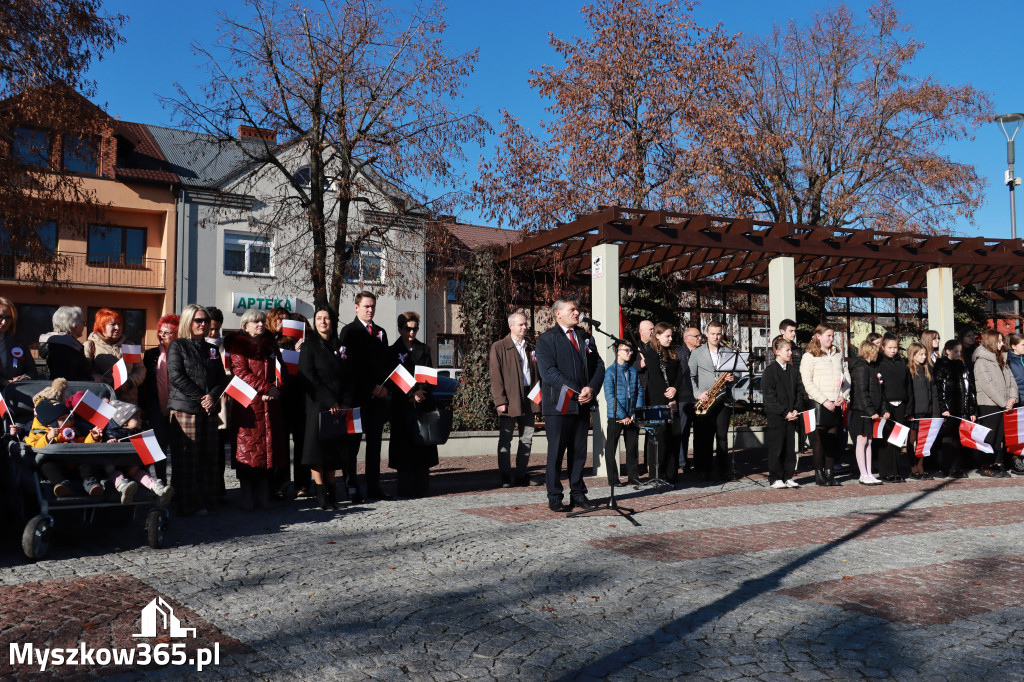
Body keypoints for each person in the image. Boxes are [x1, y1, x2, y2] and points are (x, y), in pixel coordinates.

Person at [535, 299, 605, 512]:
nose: (577, 313)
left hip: (582, 405)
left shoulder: (585, 337)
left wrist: (591, 389)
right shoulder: (546, 340)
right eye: (571, 310)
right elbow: (549, 373)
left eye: (577, 309)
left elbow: (599, 365)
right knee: (556, 452)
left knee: (579, 452)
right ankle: (555, 495)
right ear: (558, 314)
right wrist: (577, 392)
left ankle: (578, 493)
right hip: (559, 405)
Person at [167, 304, 227, 516]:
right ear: (188, 322)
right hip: (185, 409)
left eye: (206, 321)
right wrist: (202, 397)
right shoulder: (178, 346)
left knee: (208, 458)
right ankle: (187, 504)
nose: (203, 324)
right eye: (198, 320)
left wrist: (213, 396)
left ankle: (208, 500)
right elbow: (177, 377)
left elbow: (221, 378)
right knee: (187, 459)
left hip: (208, 410)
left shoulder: (211, 348)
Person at [224, 309, 287, 509]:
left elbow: (281, 370)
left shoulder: (270, 346)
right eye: (255, 322)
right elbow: (241, 374)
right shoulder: (238, 347)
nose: (260, 324)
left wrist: (276, 388)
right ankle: (247, 498)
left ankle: (263, 495)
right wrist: (266, 388)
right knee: (248, 452)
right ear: (245, 327)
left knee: (267, 453)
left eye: (261, 321)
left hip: (270, 405)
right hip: (248, 408)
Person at [338, 291, 393, 501]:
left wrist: (385, 387)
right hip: (356, 399)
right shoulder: (349, 332)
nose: (370, 310)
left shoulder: (380, 332)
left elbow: (386, 364)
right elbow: (348, 366)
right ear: (356, 307)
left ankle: (374, 486)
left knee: (375, 445)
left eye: (373, 307)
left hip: (377, 401)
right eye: (366, 306)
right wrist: (370, 386)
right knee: (352, 446)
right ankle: (352, 487)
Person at [299, 306, 354, 510]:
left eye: (327, 318)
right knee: (317, 452)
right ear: (314, 322)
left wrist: (345, 401)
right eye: (319, 318)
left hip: (339, 407)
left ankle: (332, 492)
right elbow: (308, 376)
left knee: (334, 451)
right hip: (318, 405)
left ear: (333, 322)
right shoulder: (309, 346)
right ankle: (321, 493)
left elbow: (349, 376)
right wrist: (329, 401)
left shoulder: (340, 346)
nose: (323, 322)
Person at [386, 311, 437, 498]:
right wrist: (410, 395)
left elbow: (429, 375)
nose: (412, 332)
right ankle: (405, 488)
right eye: (408, 328)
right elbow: (393, 378)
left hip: (421, 405)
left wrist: (421, 393)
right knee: (404, 447)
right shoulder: (392, 351)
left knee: (422, 447)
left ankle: (422, 486)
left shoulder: (424, 349)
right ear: (400, 329)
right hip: (402, 406)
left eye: (415, 328)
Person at [488, 312, 541, 488]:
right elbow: (496, 377)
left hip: (529, 397)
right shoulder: (499, 347)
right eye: (521, 324)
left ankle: (521, 473)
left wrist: (539, 397)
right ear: (511, 326)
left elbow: (537, 374)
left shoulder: (531, 346)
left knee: (527, 437)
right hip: (509, 399)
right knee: (506, 437)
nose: (525, 327)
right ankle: (505, 474)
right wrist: (500, 400)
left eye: (525, 324)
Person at [267, 308, 311, 497]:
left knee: (301, 442)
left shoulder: (301, 342)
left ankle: (302, 483)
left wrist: (303, 349)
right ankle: (281, 484)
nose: (282, 322)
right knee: (281, 443)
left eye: (285, 319)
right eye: (278, 319)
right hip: (281, 398)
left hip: (300, 397)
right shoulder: (272, 342)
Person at [799, 324, 850, 486]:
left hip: (836, 402)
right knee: (820, 439)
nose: (831, 338)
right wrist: (824, 400)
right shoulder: (809, 356)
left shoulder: (837, 355)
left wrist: (843, 396)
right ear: (818, 336)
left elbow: (846, 377)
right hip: (819, 402)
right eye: (828, 335)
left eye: (833, 335)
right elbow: (807, 382)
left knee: (833, 439)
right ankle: (819, 473)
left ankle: (830, 472)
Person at [689, 321, 737, 481]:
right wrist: (697, 394)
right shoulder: (697, 353)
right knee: (705, 437)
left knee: (722, 436)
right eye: (713, 334)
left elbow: (737, 374)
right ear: (706, 334)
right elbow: (690, 376)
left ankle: (723, 471)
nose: (716, 336)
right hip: (706, 400)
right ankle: (705, 470)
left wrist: (732, 377)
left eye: (718, 334)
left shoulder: (728, 351)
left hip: (723, 399)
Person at [639, 322, 685, 485]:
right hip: (658, 400)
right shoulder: (650, 352)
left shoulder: (672, 353)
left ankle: (672, 474)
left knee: (674, 435)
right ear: (657, 336)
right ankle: (657, 473)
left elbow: (679, 374)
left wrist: (675, 390)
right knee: (659, 437)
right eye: (667, 336)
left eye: (671, 335)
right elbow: (656, 378)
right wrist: (669, 397)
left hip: (672, 398)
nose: (670, 339)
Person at [761, 338, 806, 488]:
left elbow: (800, 392)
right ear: (777, 352)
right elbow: (769, 396)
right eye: (787, 350)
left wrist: (796, 409)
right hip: (777, 417)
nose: (790, 353)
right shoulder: (770, 371)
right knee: (777, 447)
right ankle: (775, 478)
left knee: (789, 448)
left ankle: (788, 476)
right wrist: (784, 412)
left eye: (791, 350)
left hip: (792, 416)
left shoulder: (793, 371)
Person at [972, 329, 1016, 477]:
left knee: (1000, 437)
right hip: (989, 404)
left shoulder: (1001, 358)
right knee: (989, 436)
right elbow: (987, 385)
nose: (1002, 343)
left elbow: (1011, 381)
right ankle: (985, 465)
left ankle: (997, 463)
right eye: (999, 341)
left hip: (1004, 404)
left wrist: (1012, 399)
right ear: (991, 342)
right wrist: (1004, 402)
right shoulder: (981, 360)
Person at [140, 314, 178, 481]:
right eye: (160, 331)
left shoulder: (180, 353)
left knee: (177, 448)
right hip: (154, 405)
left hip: (176, 406)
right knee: (157, 447)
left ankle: (177, 486)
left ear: (176, 333)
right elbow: (144, 382)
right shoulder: (151, 354)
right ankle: (160, 482)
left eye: (167, 332)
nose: (162, 335)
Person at [84, 308, 146, 404]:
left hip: (127, 401)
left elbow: (140, 370)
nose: (117, 327)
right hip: (101, 400)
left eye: (119, 324)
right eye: (113, 324)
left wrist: (129, 383)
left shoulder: (129, 346)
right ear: (101, 326)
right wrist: (94, 376)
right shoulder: (90, 345)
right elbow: (84, 370)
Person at [934, 340, 976, 478]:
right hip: (949, 408)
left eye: (960, 351)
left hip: (961, 408)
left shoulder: (962, 366)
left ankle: (957, 467)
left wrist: (971, 409)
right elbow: (939, 389)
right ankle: (948, 467)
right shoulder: (941, 366)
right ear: (947, 351)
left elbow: (969, 389)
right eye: (956, 351)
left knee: (959, 439)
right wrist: (943, 407)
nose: (958, 354)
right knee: (948, 439)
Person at [603, 342, 642, 485]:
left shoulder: (632, 371)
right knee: (611, 448)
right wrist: (622, 415)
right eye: (626, 350)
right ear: (618, 352)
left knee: (632, 447)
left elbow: (639, 392)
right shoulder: (610, 372)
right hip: (616, 417)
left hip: (631, 416)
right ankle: (613, 479)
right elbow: (610, 397)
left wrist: (634, 413)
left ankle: (633, 476)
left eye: (631, 350)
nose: (630, 353)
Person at [848, 340, 885, 485]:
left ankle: (869, 472)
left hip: (871, 411)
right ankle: (863, 473)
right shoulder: (861, 368)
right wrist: (870, 410)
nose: (877, 355)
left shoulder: (871, 367)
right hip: (862, 411)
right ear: (869, 352)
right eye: (875, 352)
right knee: (862, 440)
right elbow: (861, 392)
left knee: (869, 441)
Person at [876, 334, 910, 482]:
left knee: (897, 439)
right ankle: (886, 472)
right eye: (890, 347)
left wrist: (909, 406)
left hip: (901, 405)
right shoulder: (879, 363)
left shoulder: (902, 363)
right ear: (883, 347)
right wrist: (883, 408)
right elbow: (879, 388)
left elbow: (908, 385)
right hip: (886, 405)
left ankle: (896, 471)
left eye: (895, 347)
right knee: (885, 440)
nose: (893, 350)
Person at [205, 305, 230, 504]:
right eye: (211, 328)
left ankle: (219, 488)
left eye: (217, 329)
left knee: (220, 448)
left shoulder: (225, 346)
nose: (214, 333)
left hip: (225, 402)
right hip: (207, 401)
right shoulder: (199, 344)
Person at [906, 342, 940, 480]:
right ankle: (913, 468)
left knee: (923, 442)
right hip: (914, 414)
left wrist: (935, 412)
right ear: (912, 355)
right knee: (911, 440)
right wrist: (909, 413)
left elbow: (933, 393)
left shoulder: (928, 370)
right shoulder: (908, 370)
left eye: (925, 354)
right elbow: (908, 393)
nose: (923, 357)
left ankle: (921, 467)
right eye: (920, 354)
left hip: (927, 412)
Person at [773, 319, 806, 453]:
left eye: (794, 331)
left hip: (795, 389)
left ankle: (795, 459)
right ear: (782, 331)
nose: (793, 333)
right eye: (791, 331)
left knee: (799, 427)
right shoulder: (775, 348)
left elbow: (800, 369)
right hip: (782, 393)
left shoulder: (797, 350)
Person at [38, 305, 91, 381]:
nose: (84, 326)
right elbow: (67, 377)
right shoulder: (63, 347)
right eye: (83, 323)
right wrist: (92, 379)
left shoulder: (58, 344)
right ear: (74, 325)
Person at [677, 326, 701, 472]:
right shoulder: (679, 353)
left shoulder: (701, 352)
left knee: (699, 432)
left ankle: (699, 462)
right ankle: (682, 463)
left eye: (699, 336)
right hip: (683, 398)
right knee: (683, 432)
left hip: (699, 398)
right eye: (696, 336)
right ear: (687, 338)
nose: (700, 339)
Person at [0, 297, 38, 388]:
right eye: (0, 317)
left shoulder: (19, 341)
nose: (4, 322)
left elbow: (32, 371)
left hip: (14, 394)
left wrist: (25, 378)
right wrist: (4, 382)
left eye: (8, 318)